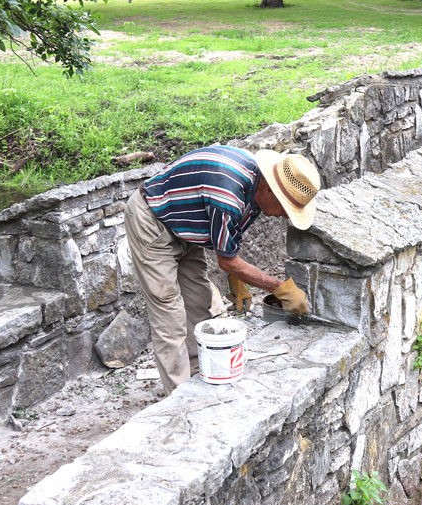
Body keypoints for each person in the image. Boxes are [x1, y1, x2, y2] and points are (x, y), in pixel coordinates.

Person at [124, 145, 320, 394]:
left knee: (198, 303)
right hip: (152, 222)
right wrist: (279, 289)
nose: (284, 216)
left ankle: (196, 373)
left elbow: (229, 241)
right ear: (270, 190)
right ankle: (180, 398)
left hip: (186, 225)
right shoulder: (229, 196)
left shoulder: (255, 185)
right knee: (170, 317)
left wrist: (236, 278)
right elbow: (226, 260)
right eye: (285, 207)